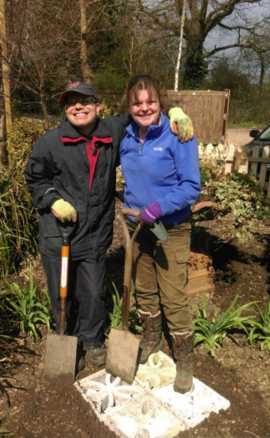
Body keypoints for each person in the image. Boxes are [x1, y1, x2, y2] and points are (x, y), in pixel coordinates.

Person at [24, 80, 194, 374]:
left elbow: (144, 111)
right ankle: (68, 337)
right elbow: (35, 178)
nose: (79, 106)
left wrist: (176, 112)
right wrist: (51, 200)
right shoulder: (50, 142)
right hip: (59, 233)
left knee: (93, 292)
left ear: (97, 106)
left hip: (93, 234)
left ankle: (91, 341)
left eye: (86, 101)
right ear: (65, 110)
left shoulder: (112, 132)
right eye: (72, 103)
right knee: (61, 293)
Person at [119, 74, 201, 393]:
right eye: (137, 103)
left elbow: (191, 187)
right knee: (145, 289)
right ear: (129, 105)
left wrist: (160, 206)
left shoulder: (178, 134)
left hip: (171, 227)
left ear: (160, 102)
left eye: (150, 101)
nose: (144, 108)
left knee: (174, 296)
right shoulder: (125, 136)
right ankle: (151, 339)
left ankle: (185, 361)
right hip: (136, 227)